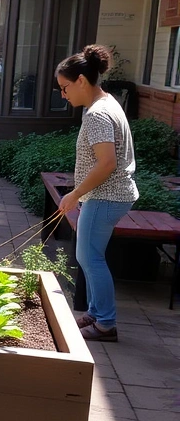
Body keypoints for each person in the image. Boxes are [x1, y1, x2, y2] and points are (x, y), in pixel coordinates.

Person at [55, 44, 138, 342]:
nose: (64, 95)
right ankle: (96, 311)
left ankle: (105, 324)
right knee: (90, 255)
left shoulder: (97, 115)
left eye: (65, 88)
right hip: (114, 194)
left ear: (81, 80)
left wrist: (74, 194)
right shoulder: (106, 103)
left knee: (89, 257)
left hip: (107, 195)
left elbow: (106, 163)